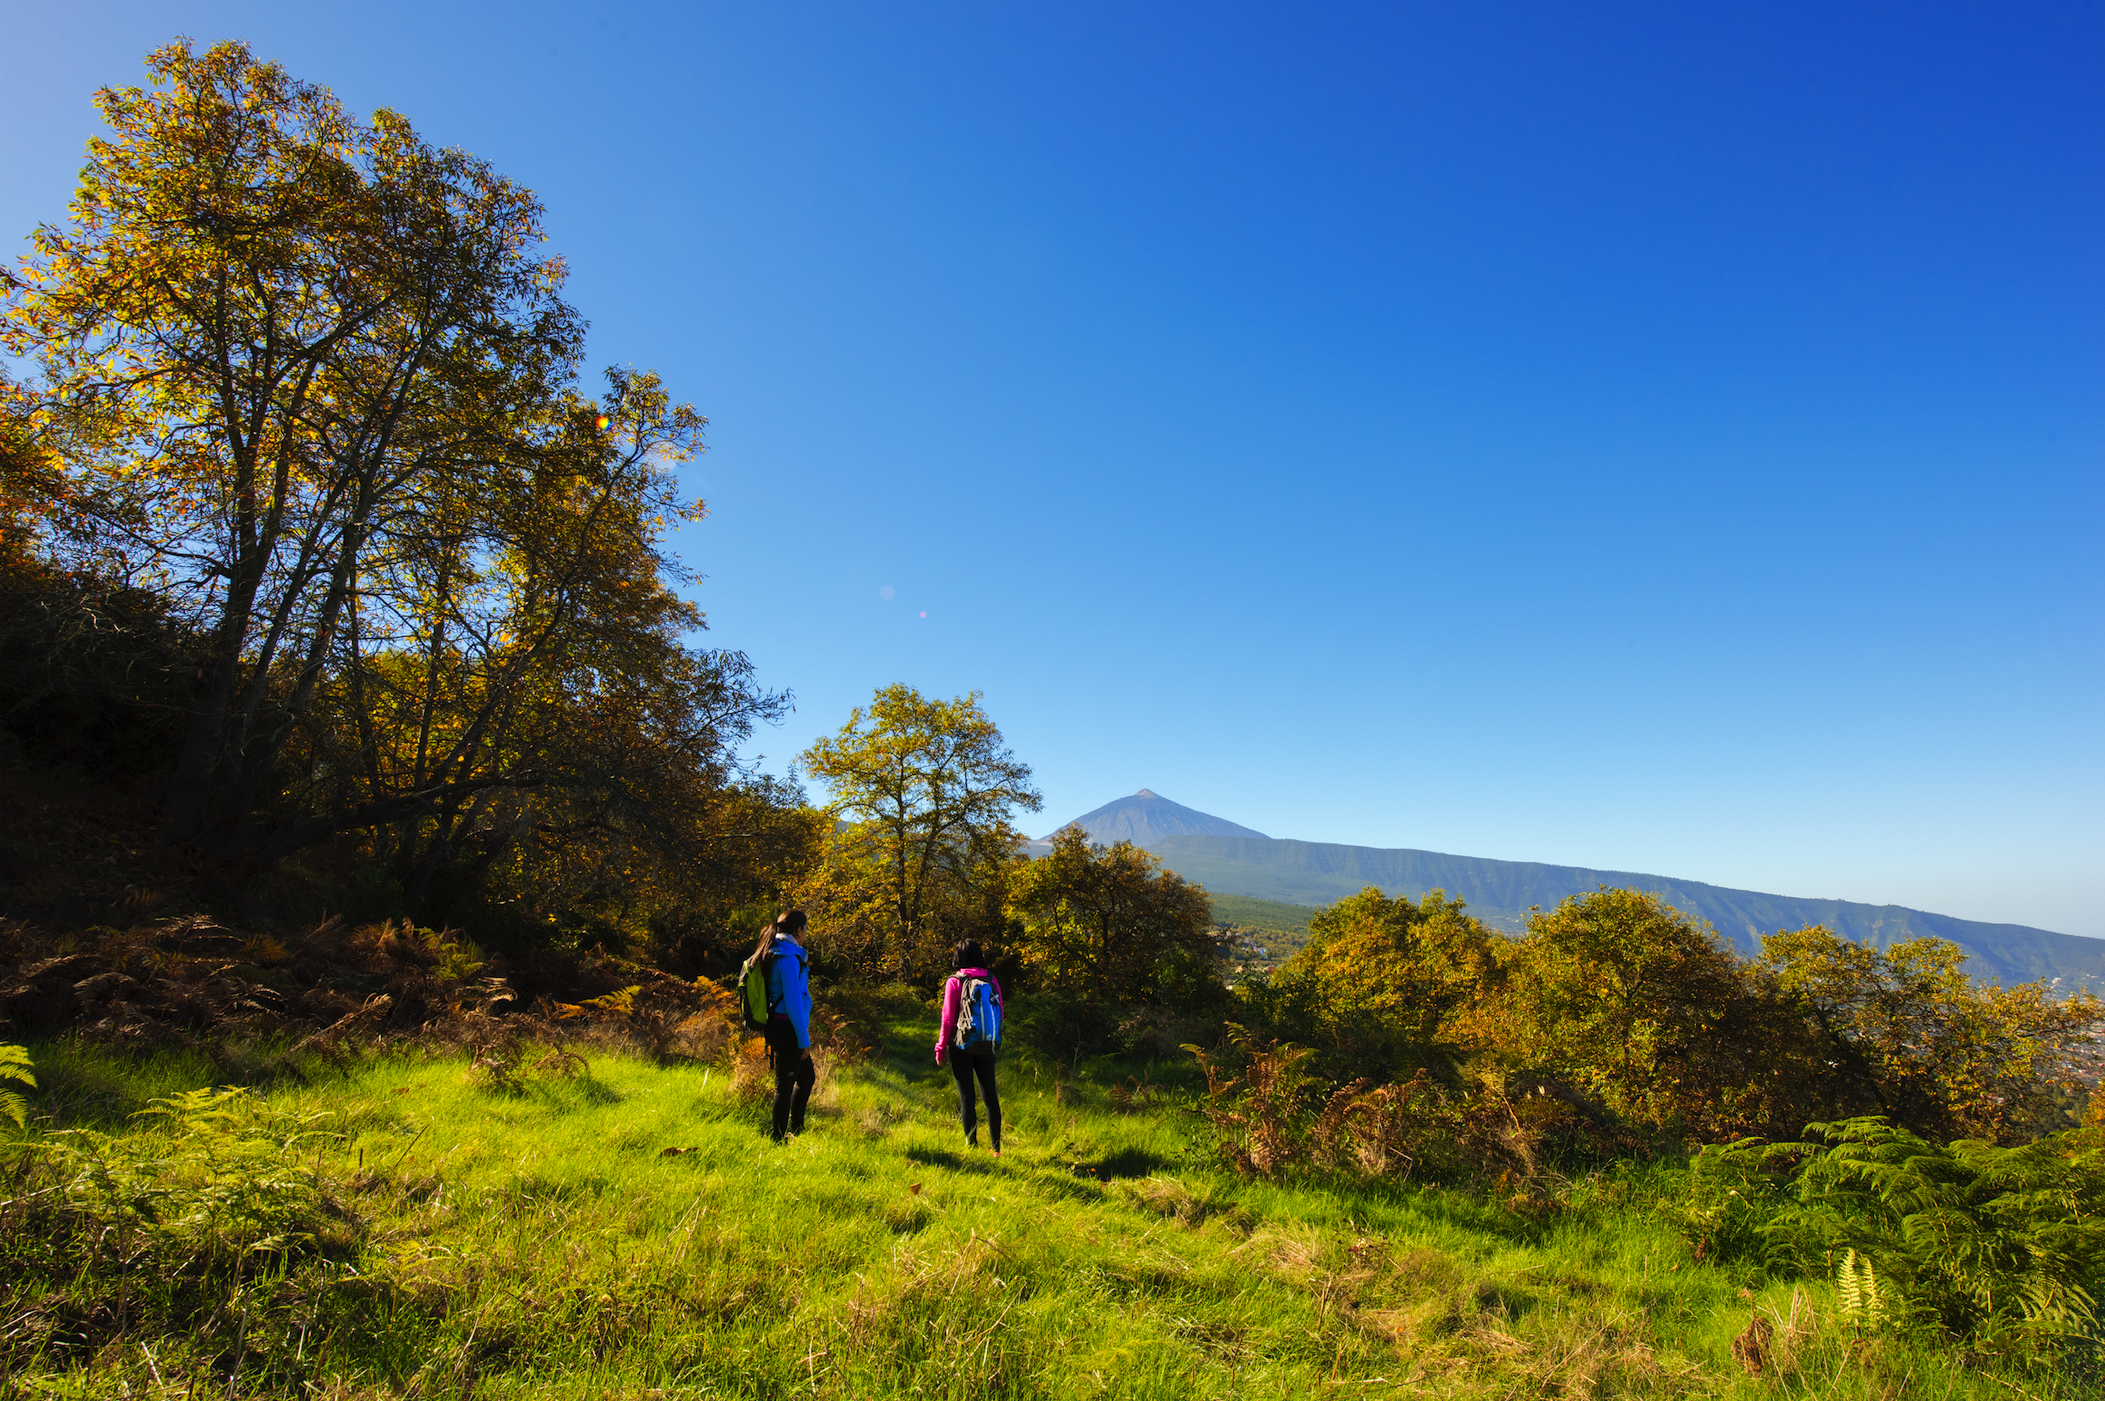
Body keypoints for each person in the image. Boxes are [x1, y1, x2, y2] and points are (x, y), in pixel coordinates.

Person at [935, 939, 1004, 1156]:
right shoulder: (991, 979)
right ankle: (996, 1148)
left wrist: (941, 1048)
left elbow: (947, 1019)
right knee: (990, 1097)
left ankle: (971, 1146)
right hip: (987, 1044)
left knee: (967, 1098)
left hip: (961, 1046)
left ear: (958, 956)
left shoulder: (955, 981)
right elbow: (1000, 1011)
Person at [757, 910, 815, 1141]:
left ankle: (796, 1129)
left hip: (779, 1025)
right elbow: (792, 1004)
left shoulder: (775, 951)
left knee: (807, 1078)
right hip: (787, 1028)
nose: (807, 933)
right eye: (806, 928)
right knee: (785, 1085)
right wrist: (804, 1041)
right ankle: (778, 1138)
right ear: (798, 930)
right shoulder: (789, 959)